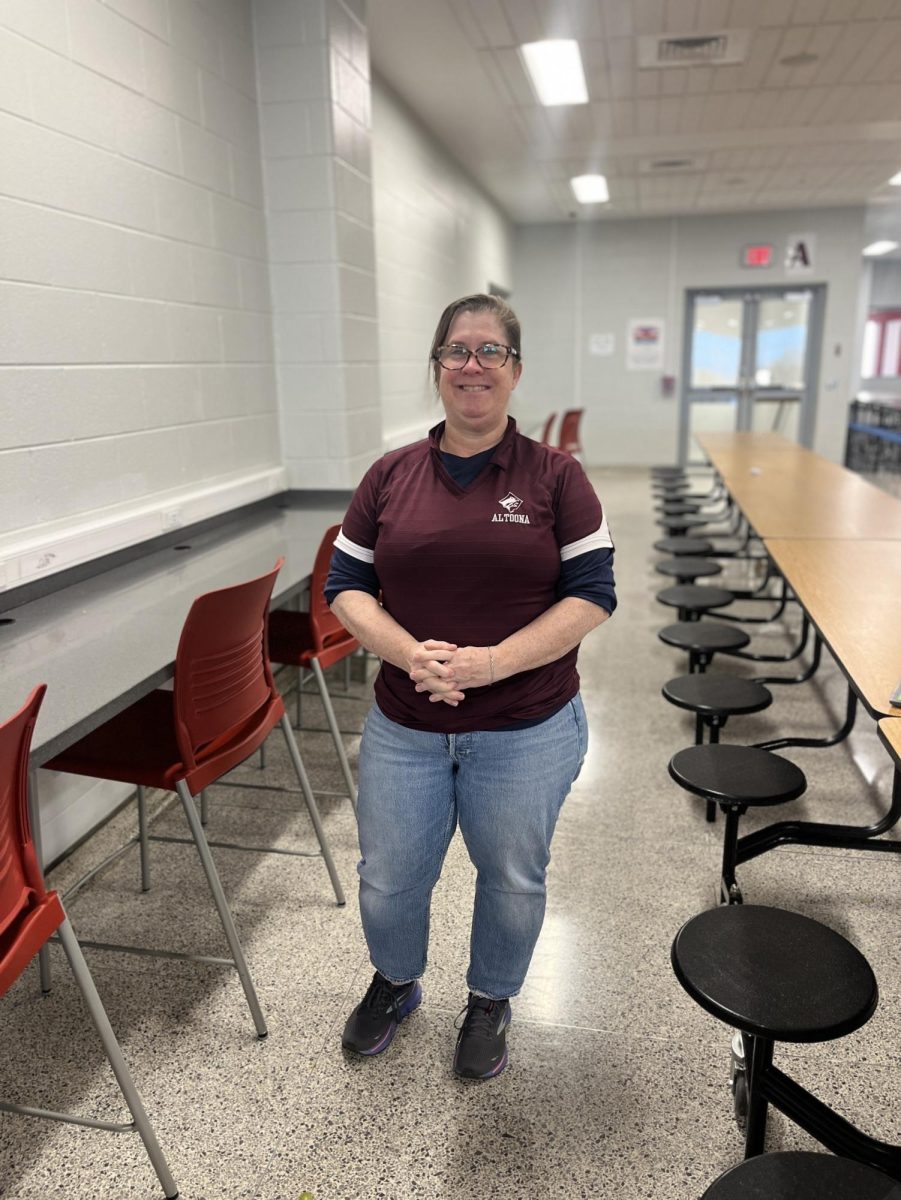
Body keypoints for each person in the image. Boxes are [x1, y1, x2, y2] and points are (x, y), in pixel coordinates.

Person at [325, 293, 616, 1080]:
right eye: (457, 351)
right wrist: (409, 654)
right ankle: (394, 982)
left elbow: (592, 592)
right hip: (405, 723)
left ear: (515, 371)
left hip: (525, 723)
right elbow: (345, 582)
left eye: (490, 351)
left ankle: (490, 997)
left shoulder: (556, 477)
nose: (472, 365)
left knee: (511, 875)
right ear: (436, 368)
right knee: (387, 878)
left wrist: (492, 663)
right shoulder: (389, 476)